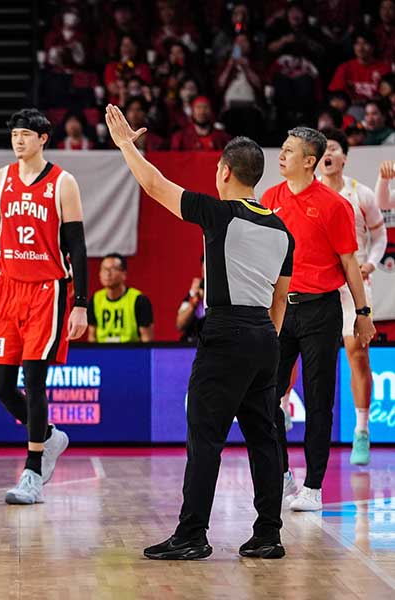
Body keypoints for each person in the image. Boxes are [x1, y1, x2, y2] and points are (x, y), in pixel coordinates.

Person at [106, 104, 294, 560]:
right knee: (264, 438)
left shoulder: (220, 213)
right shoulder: (281, 228)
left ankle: (192, 535)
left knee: (205, 437)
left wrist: (126, 146)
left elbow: (153, 184)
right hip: (265, 337)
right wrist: (263, 341)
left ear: (226, 171)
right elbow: (279, 301)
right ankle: (269, 534)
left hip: (227, 331)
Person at [0, 108, 88, 505]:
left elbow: (78, 249)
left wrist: (80, 305)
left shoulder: (62, 183)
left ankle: (33, 472)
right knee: (2, 386)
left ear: (43, 138)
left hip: (48, 292)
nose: (18, 140)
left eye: (26, 134)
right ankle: (50, 436)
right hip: (7, 290)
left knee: (35, 381)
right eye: (15, 134)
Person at [262, 127, 375, 513]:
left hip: (321, 310)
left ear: (309, 161)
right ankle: (280, 475)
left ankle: (313, 487)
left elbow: (349, 264)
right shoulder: (269, 198)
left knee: (319, 398)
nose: (281, 156)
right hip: (279, 309)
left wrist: (362, 314)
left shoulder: (333, 205)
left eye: (289, 151)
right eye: (283, 148)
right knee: (266, 395)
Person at [318, 128, 385, 466]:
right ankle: (283, 408)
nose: (327, 154)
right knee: (295, 347)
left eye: (333, 148)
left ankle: (361, 430)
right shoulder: (306, 193)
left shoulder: (361, 194)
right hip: (317, 282)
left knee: (357, 353)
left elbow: (380, 234)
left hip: (354, 281)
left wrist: (371, 262)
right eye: (323, 148)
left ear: (344, 156)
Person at [87, 253, 154, 343]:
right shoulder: (95, 299)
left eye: (113, 269)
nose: (108, 273)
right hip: (102, 352)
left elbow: (146, 339)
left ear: (124, 274)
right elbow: (92, 336)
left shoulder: (139, 300)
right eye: (104, 269)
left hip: (131, 352)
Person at [176, 258, 206, 342]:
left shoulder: (222, 295)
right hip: (192, 344)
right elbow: (179, 325)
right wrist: (193, 301)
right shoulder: (194, 294)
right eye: (204, 271)